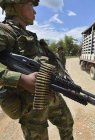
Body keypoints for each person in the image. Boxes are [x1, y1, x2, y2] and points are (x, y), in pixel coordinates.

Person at [0, 0, 74, 140]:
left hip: (50, 93)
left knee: (67, 123)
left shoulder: (31, 36)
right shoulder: (4, 32)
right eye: (31, 5)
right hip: (30, 104)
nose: (35, 11)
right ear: (16, 6)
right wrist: (22, 80)